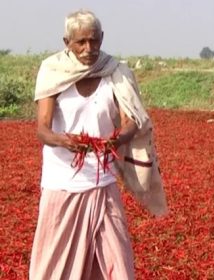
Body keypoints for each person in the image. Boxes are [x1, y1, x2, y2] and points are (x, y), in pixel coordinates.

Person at [30, 9, 167, 279]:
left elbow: (131, 121)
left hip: (102, 181)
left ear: (102, 38)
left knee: (118, 264)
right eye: (80, 42)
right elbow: (43, 130)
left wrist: (114, 139)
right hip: (62, 184)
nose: (88, 48)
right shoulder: (53, 72)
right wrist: (63, 140)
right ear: (66, 42)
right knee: (54, 267)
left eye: (94, 41)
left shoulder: (115, 72)